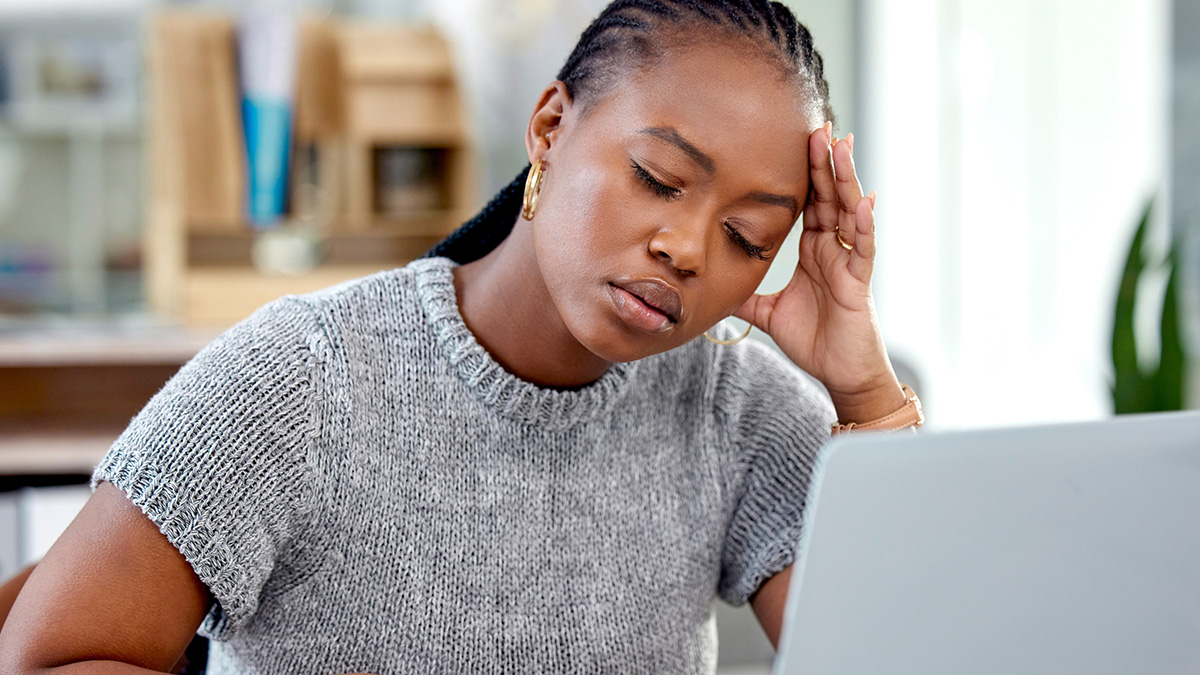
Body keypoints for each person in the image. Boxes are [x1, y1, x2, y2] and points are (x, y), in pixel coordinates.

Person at [0, 1, 922, 673]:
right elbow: (46, 660)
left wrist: (867, 395)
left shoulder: (737, 410)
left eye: (746, 238)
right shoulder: (303, 380)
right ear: (551, 128)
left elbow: (915, 657)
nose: (684, 249)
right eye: (657, 176)